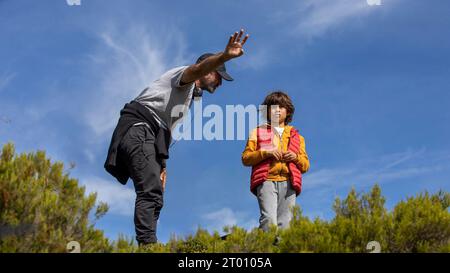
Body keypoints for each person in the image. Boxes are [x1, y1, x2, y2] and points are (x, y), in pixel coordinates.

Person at [104, 29, 250, 246]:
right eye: (219, 75)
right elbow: (198, 69)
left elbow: (165, 132)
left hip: (149, 135)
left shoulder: (187, 99)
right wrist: (225, 56)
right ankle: (148, 247)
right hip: (138, 128)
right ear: (209, 70)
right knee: (150, 191)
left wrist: (162, 165)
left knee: (156, 195)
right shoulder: (184, 77)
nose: (220, 82)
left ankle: (149, 243)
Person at [242, 91, 310, 232]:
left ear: (288, 111)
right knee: (269, 220)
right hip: (266, 179)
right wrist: (266, 153)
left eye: (281, 107)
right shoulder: (257, 132)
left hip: (289, 182)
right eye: (273, 107)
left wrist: (295, 157)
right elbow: (246, 158)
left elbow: (305, 165)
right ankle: (265, 249)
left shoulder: (297, 136)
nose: (277, 110)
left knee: (286, 224)